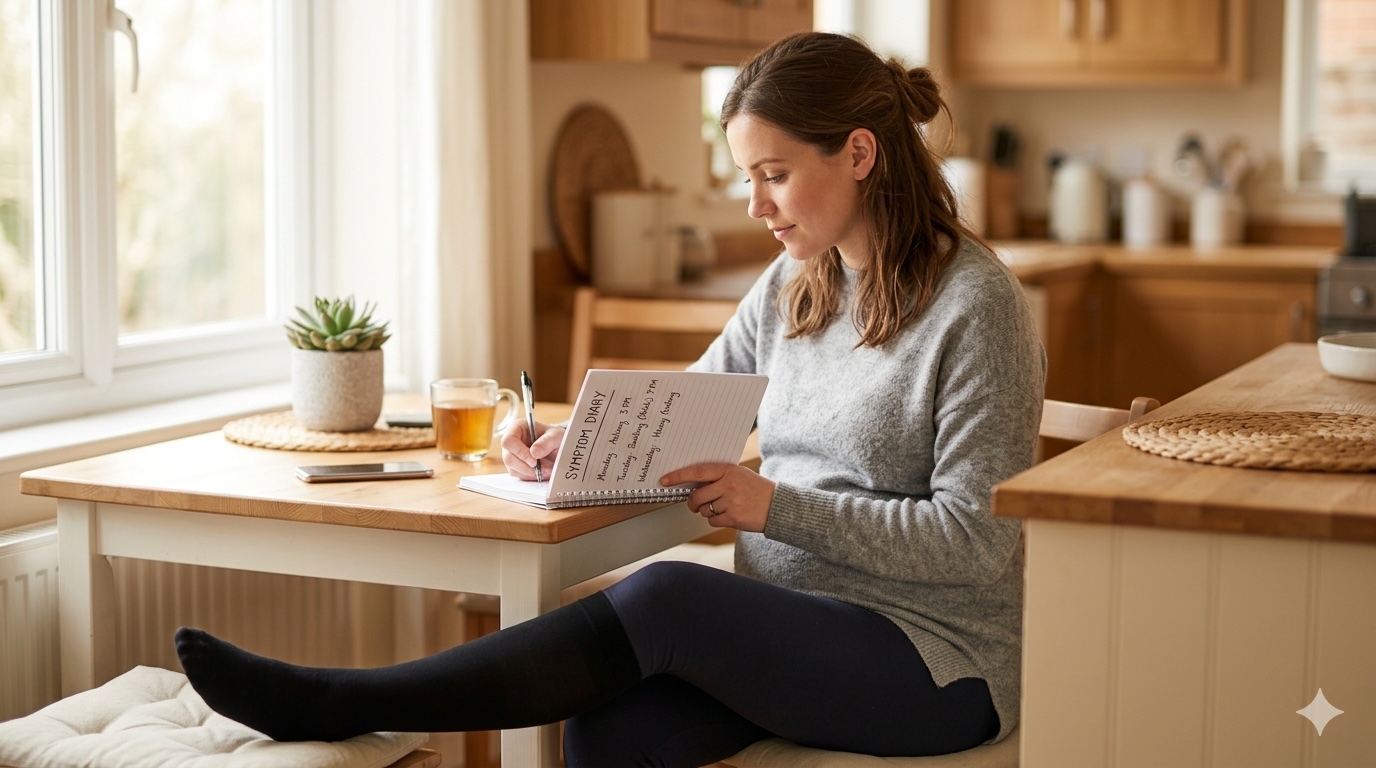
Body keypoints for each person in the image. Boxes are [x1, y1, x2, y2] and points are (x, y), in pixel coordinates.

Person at [175, 31, 1045, 766]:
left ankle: (340, 701)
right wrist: (578, 438)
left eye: (773, 174)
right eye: (748, 176)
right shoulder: (797, 280)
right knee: (606, 732)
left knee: (668, 596)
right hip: (794, 631)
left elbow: (974, 541)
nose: (754, 204)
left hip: (934, 660)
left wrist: (774, 507)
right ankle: (338, 702)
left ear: (858, 153)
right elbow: (699, 399)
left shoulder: (978, 308)